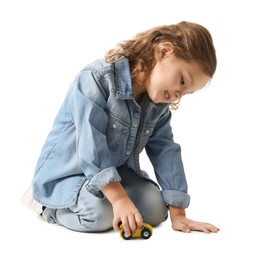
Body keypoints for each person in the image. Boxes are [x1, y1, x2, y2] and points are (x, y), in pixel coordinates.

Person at [24, 21, 220, 236]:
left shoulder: (158, 106)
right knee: (98, 215)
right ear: (164, 52)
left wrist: (178, 212)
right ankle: (49, 207)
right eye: (182, 80)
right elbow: (91, 146)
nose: (177, 95)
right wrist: (118, 199)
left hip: (112, 175)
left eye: (186, 93)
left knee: (155, 210)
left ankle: (113, 199)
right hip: (70, 173)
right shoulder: (96, 78)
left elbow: (165, 149)